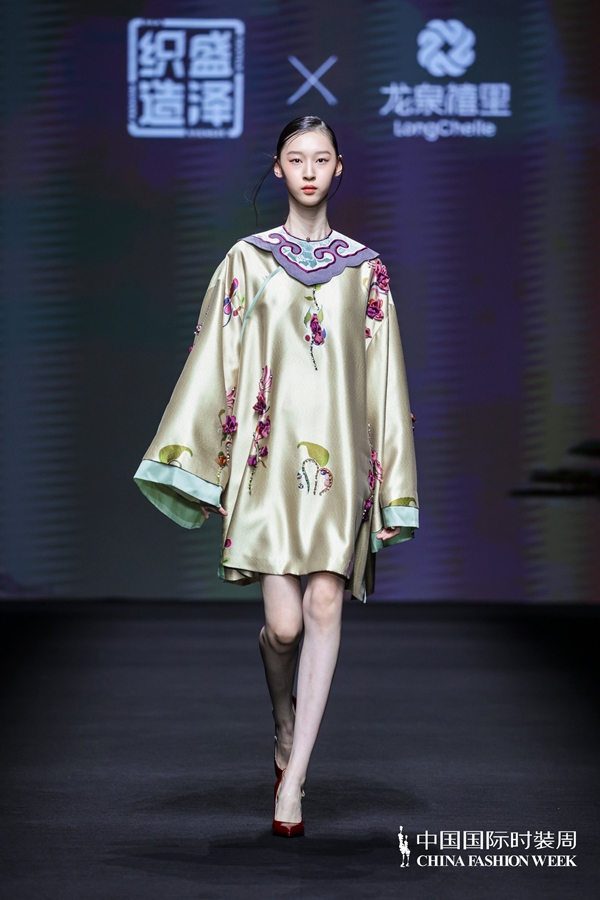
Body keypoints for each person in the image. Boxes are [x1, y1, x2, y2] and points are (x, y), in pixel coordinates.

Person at [133, 116, 419, 837]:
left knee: (325, 603)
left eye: (322, 159)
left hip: (339, 469)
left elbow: (386, 383)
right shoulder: (247, 261)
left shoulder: (365, 270)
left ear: (339, 167)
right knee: (283, 629)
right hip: (265, 465)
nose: (310, 171)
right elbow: (213, 366)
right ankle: (282, 720)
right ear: (279, 167)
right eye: (297, 159)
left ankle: (293, 783)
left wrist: (392, 491)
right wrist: (206, 468)